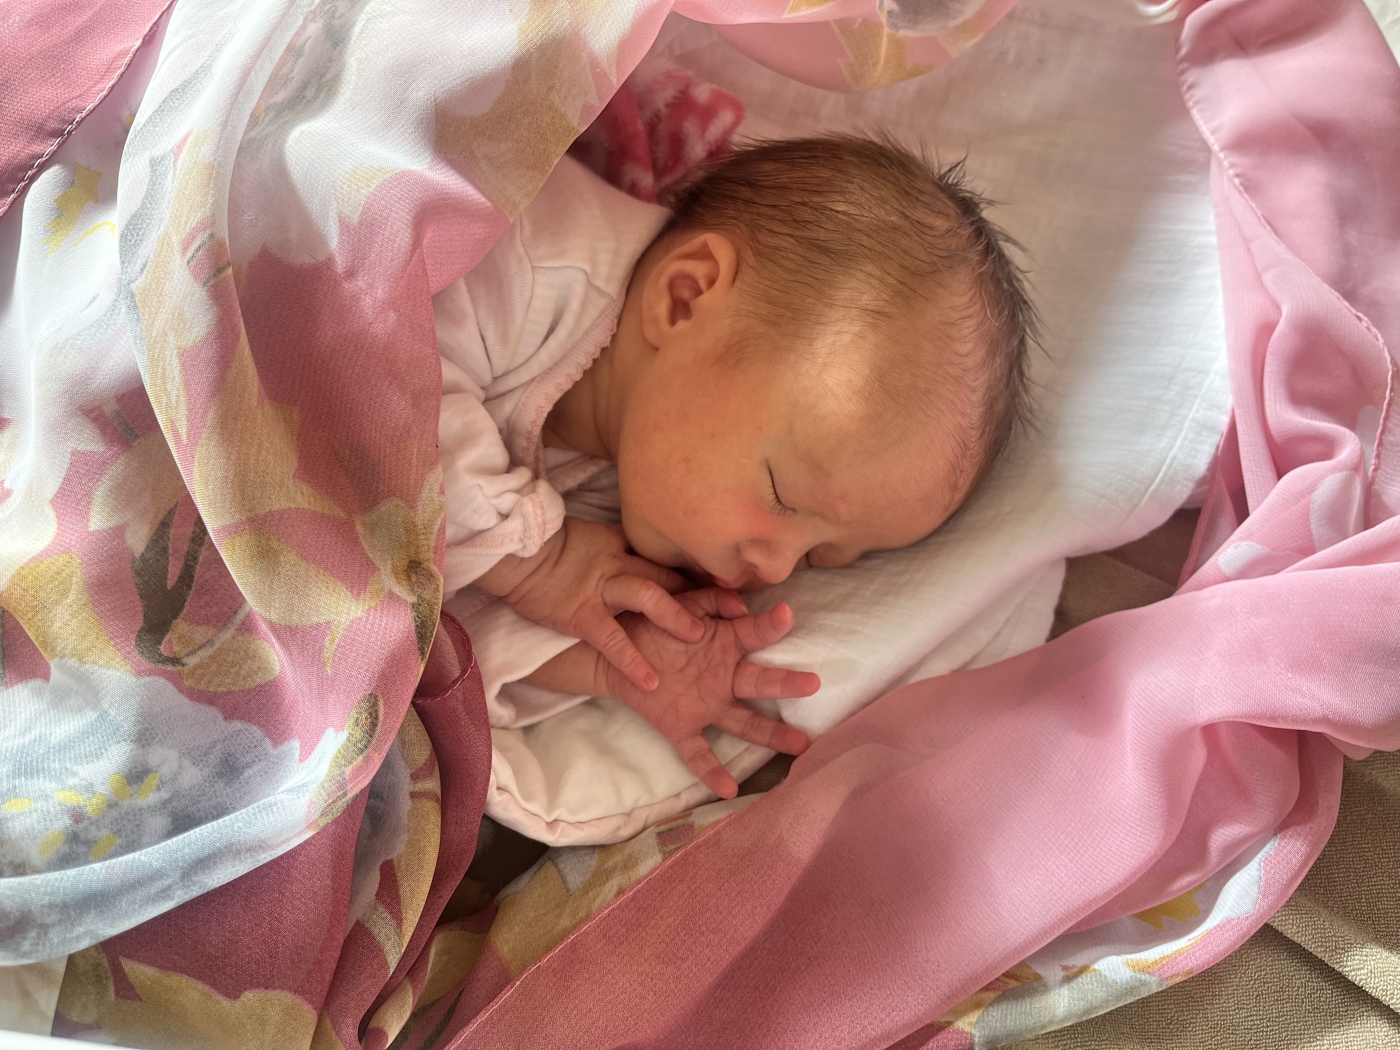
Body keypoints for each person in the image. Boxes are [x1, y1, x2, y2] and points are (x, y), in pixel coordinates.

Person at [434, 135, 1034, 798]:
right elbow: (381, 389)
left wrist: (618, 663)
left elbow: (439, 603)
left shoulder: (632, 488)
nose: (775, 569)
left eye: (818, 558)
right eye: (783, 495)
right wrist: (538, 566)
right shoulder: (524, 252)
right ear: (684, 297)